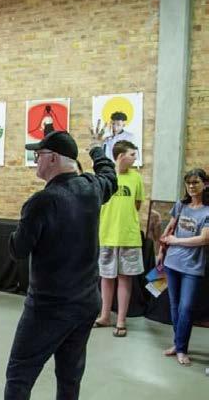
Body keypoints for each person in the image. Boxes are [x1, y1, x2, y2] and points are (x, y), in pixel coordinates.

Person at [5, 130, 117, 400]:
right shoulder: (91, 188)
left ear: (53, 158)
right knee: (70, 376)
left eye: (38, 155)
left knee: (19, 375)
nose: (35, 160)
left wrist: (21, 225)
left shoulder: (41, 202)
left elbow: (18, 250)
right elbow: (110, 176)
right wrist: (97, 149)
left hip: (48, 308)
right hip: (86, 303)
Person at [157, 168, 209, 366]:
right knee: (174, 306)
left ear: (205, 184)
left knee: (186, 307)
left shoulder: (207, 210)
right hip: (172, 262)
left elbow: (204, 239)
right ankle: (178, 345)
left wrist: (176, 241)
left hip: (192, 267)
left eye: (196, 182)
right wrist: (161, 250)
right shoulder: (181, 205)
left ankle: (181, 348)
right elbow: (169, 229)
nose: (191, 186)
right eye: (188, 183)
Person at [93, 141, 144, 337]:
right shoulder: (105, 177)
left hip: (128, 236)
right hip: (106, 234)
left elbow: (137, 204)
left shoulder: (136, 178)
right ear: (121, 156)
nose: (134, 158)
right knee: (106, 277)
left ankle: (121, 319)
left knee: (125, 278)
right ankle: (105, 315)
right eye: (132, 154)